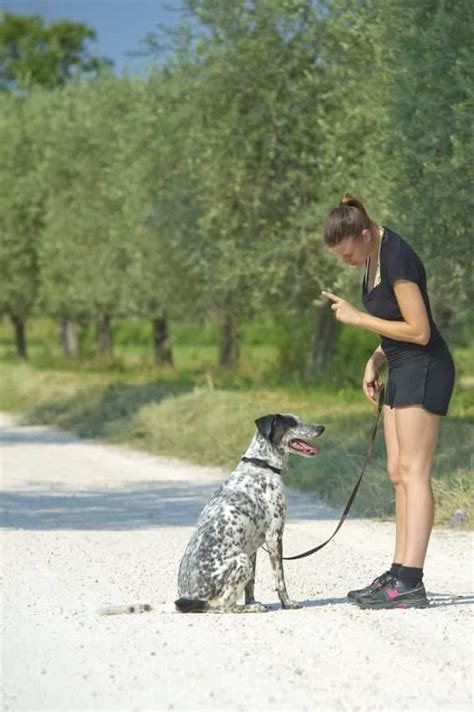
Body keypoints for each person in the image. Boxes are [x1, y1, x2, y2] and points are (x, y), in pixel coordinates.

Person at [322, 193, 455, 610]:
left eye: (348, 252)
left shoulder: (397, 257)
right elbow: (396, 323)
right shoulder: (373, 256)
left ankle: (411, 582)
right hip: (400, 367)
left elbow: (419, 331)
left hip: (425, 367)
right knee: (398, 472)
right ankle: (398, 573)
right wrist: (374, 358)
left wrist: (358, 319)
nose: (346, 261)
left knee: (415, 473)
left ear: (364, 234)